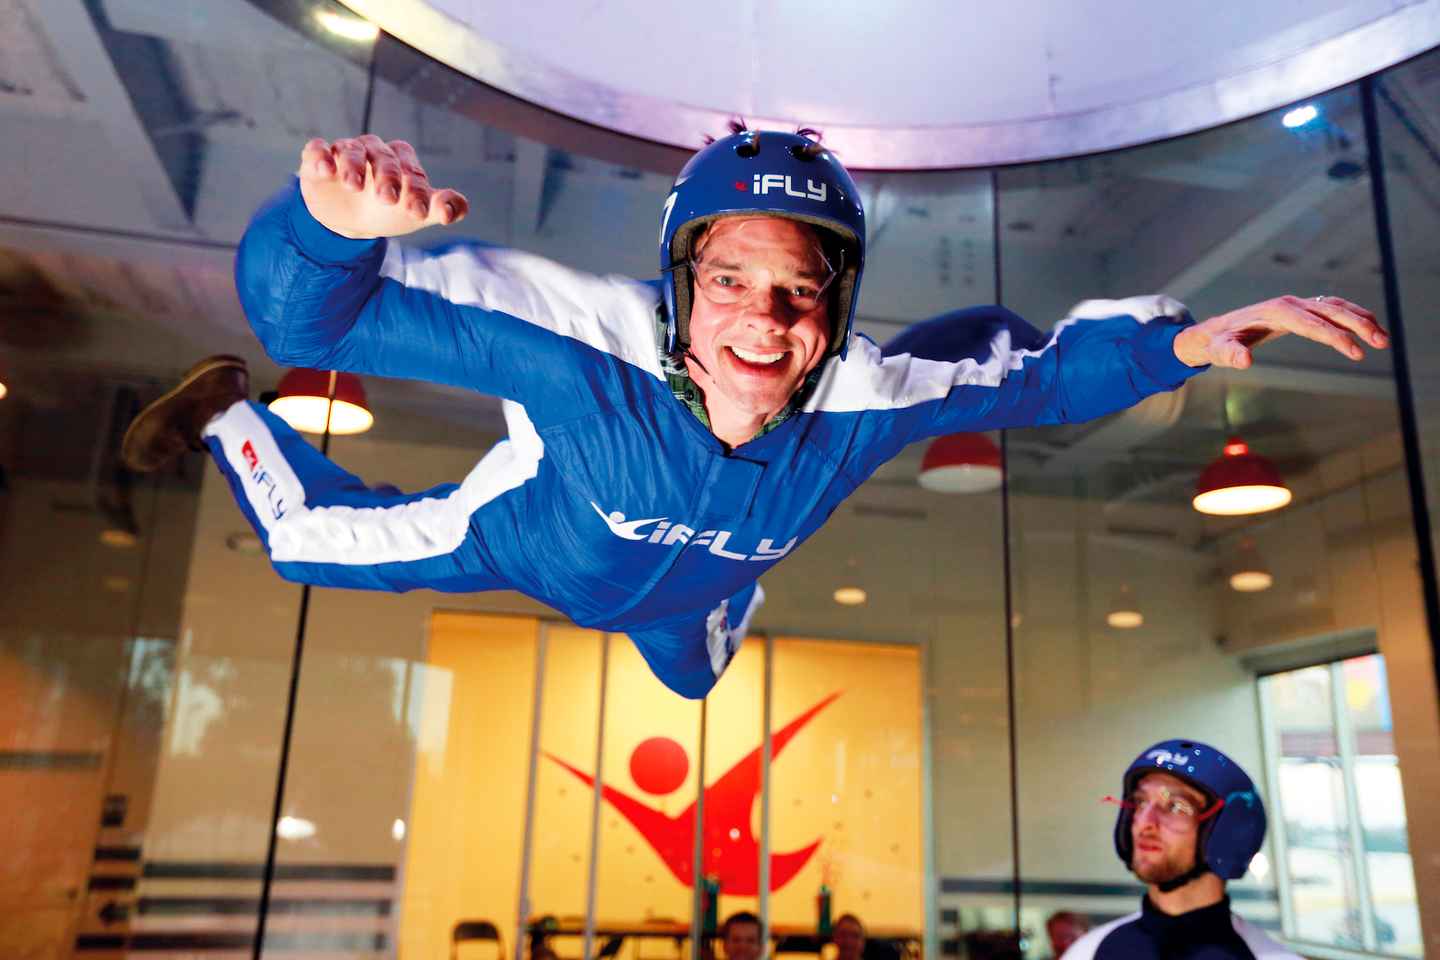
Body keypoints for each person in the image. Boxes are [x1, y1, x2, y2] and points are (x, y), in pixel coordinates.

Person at [122, 128, 1388, 699]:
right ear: (682, 283)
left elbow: (1048, 373)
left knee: (690, 689)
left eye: (800, 288)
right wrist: (328, 229)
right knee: (301, 545)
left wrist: (1181, 342)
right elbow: (312, 322)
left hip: (689, 603)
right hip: (522, 540)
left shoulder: (865, 387)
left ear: (839, 302)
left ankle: (726, 599)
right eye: (730, 280)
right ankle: (233, 419)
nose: (766, 322)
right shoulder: (584, 339)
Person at [1060, 739, 1300, 959]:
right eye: (1141, 802)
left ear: (1228, 833)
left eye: (1175, 807)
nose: (1144, 823)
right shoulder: (1088, 952)